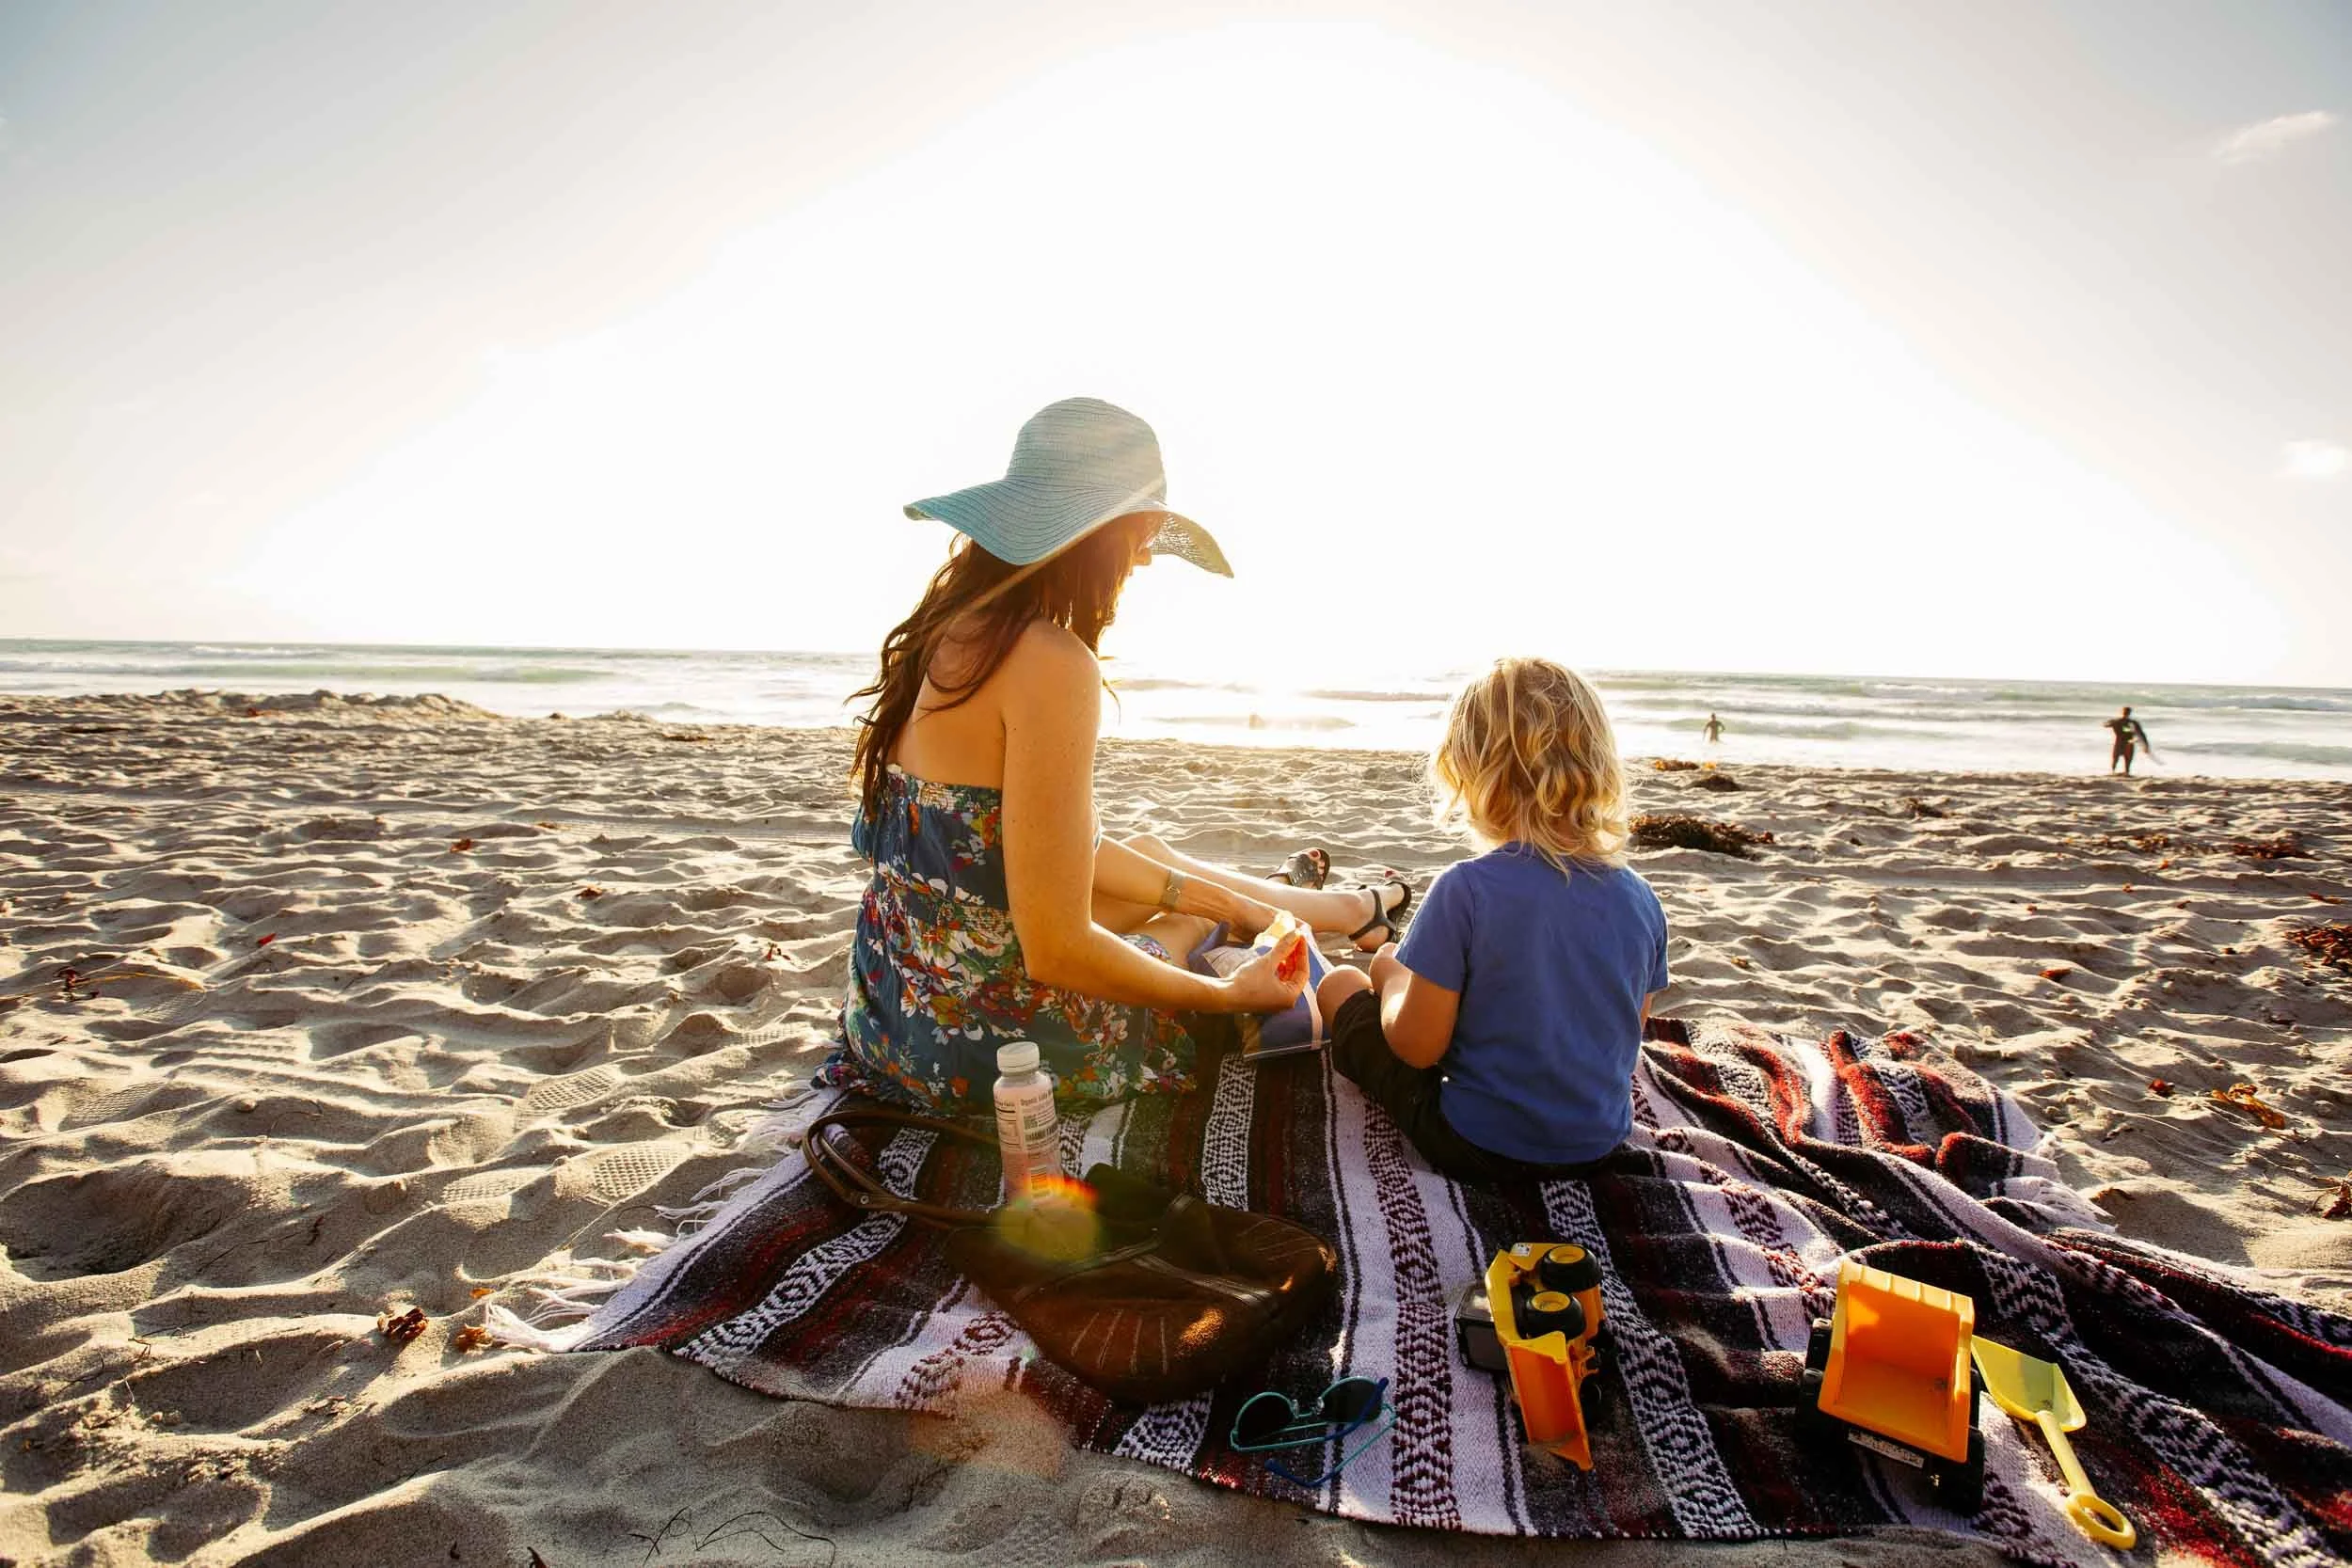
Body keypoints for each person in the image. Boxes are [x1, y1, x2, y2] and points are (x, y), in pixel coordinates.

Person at [825, 397, 1412, 1114]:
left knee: (1155, 862)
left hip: (893, 1006)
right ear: (1094, 534)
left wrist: (1225, 897)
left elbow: (1012, 846)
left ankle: (1328, 908)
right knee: (1188, 927)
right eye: (1140, 532)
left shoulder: (946, 631)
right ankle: (1323, 915)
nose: (1143, 555)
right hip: (985, 1052)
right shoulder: (1050, 663)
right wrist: (1224, 991)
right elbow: (1058, 951)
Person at [1314, 657, 1669, 1182]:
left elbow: (1416, 1047)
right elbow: (1624, 1033)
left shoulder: (1467, 889)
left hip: (1479, 1145)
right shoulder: (1642, 899)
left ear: (1470, 772)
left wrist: (1389, 980)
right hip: (1597, 1143)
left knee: (1341, 983)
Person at [2105, 705, 2153, 775]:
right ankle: (2122, 773)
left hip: (2122, 743)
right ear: (2129, 713)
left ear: (2123, 712)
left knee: (2117, 760)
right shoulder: (2130, 722)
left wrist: (2110, 722)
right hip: (2127, 743)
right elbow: (2141, 734)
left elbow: (2105, 725)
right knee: (2124, 761)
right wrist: (2146, 745)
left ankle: (2114, 772)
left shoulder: (2118, 721)